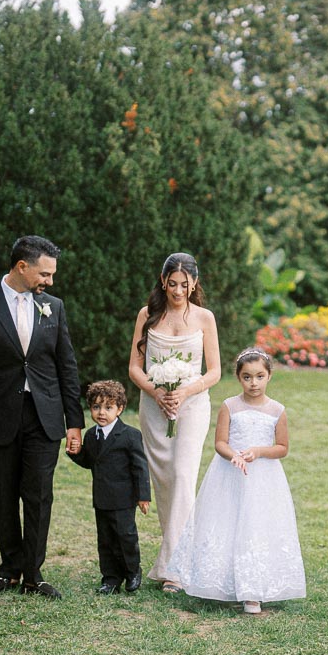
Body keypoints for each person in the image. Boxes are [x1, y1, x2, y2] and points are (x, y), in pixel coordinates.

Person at [0, 235, 84, 598]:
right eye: (44, 273)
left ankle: (33, 574)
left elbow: (66, 366)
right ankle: (9, 569)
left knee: (40, 495)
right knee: (5, 494)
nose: (50, 282)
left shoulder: (53, 307)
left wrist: (75, 421)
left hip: (45, 416)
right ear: (21, 267)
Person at [167, 348, 305, 613]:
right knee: (226, 523)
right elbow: (220, 442)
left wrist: (258, 452)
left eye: (259, 376)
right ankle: (224, 584)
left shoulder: (277, 410)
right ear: (239, 378)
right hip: (229, 474)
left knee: (256, 526)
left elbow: (282, 448)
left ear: (269, 376)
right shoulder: (230, 406)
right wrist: (235, 456)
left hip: (263, 477)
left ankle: (253, 591)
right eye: (247, 377)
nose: (254, 383)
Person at [128, 252, 220, 593]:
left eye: (184, 284)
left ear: (194, 283)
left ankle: (177, 568)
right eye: (172, 284)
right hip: (154, 408)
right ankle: (177, 557)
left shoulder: (205, 318)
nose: (178, 291)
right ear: (163, 281)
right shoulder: (148, 315)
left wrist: (183, 392)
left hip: (192, 406)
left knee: (183, 475)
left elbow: (214, 371)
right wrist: (157, 392)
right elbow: (135, 367)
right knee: (165, 482)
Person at [67, 380, 150, 594]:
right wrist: (76, 453)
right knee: (105, 540)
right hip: (102, 498)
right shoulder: (91, 436)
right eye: (96, 407)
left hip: (123, 498)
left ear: (120, 409)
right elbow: (89, 461)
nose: (101, 412)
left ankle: (132, 571)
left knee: (126, 536)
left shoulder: (130, 435)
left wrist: (143, 496)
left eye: (108, 407)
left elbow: (140, 468)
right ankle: (111, 578)